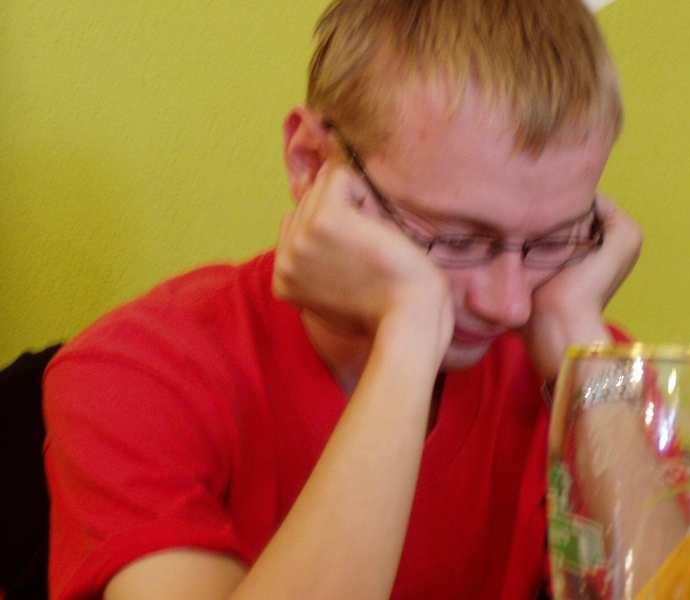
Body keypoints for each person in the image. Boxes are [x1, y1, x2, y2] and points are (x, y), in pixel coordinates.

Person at [43, 1, 649, 598]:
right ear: (312, 164)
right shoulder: (132, 373)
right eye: (457, 238)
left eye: (554, 240)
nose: (509, 304)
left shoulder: (570, 362)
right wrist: (410, 333)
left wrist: (578, 340)